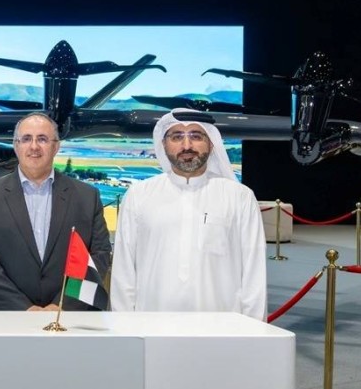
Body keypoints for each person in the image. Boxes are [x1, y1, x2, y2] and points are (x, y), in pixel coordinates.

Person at [109, 109, 266, 318]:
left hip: (222, 329)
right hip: (152, 324)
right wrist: (124, 326)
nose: (186, 146)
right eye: (176, 137)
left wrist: (254, 329)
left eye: (196, 136)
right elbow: (124, 271)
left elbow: (254, 273)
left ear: (211, 144)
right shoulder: (139, 195)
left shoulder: (239, 197)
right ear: (164, 145)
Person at [0, 112, 111, 311]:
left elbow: (99, 254)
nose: (34, 146)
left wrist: (63, 304)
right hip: (3, 316)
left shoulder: (87, 197)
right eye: (26, 139)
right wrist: (22, 307)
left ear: (56, 146)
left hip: (69, 316)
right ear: (16, 146)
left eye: (42, 139)